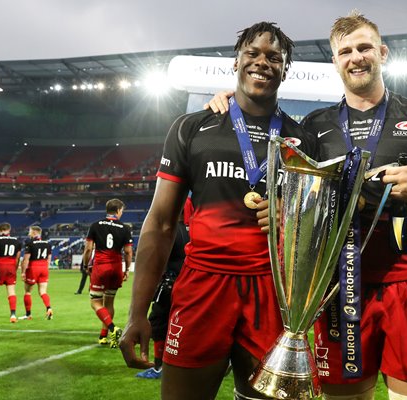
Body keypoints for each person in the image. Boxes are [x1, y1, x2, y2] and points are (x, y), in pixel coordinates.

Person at [206, 11, 407, 399]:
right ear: (335, 62)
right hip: (337, 291)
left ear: (382, 53)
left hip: (406, 279)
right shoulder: (314, 127)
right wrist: (230, 98)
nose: (356, 57)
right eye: (345, 51)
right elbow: (271, 156)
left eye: (365, 47)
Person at [118, 22, 317, 400]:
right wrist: (136, 313)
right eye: (253, 53)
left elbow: (316, 225)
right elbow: (161, 224)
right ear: (236, 62)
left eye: (275, 57)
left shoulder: (301, 140)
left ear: (285, 69)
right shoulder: (192, 128)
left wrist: (289, 218)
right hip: (203, 287)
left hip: (272, 292)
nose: (263, 62)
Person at [135, 203, 190, 379]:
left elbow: (158, 262)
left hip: (169, 284)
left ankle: (159, 368)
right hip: (187, 283)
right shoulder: (190, 231)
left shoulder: (169, 232)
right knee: (181, 324)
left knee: (158, 323)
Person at [82, 198, 133, 347]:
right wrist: (127, 269)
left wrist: (86, 265)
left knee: (95, 302)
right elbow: (128, 252)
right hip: (116, 267)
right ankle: (104, 336)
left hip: (101, 267)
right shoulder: (125, 228)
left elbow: (88, 249)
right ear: (118, 210)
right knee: (109, 302)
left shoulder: (95, 225)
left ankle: (112, 328)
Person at [19, 226, 53, 320]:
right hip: (44, 267)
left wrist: (23, 272)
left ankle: (28, 314)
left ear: (34, 232)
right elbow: (49, 258)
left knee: (28, 292)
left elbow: (26, 259)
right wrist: (46, 267)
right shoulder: (47, 243)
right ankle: (49, 308)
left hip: (34, 267)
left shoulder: (30, 243)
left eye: (30, 231)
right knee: (43, 291)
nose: (29, 233)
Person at [0, 223, 22, 323]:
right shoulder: (17, 241)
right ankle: (13, 315)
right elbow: (18, 257)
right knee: (11, 291)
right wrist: (15, 268)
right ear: (9, 230)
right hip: (11, 266)